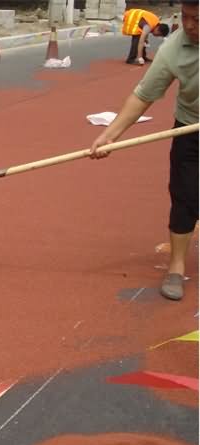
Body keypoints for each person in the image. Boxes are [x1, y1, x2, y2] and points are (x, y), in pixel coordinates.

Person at [90, 0, 198, 301]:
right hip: (190, 129)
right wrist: (110, 135)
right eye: (186, 17)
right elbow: (143, 96)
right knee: (185, 197)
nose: (190, 25)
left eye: (198, 19)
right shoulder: (174, 48)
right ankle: (176, 267)